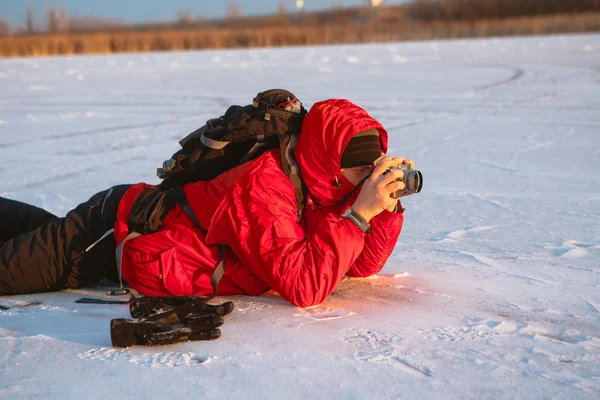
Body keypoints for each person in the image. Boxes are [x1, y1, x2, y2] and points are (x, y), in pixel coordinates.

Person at [0, 99, 413, 307]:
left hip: (133, 234)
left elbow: (357, 265)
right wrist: (359, 214)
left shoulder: (321, 188)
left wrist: (384, 210)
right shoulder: (265, 187)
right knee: (9, 273)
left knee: (32, 237)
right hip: (114, 229)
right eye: (363, 172)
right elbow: (304, 286)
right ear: (331, 163)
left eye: (373, 169)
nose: (367, 180)